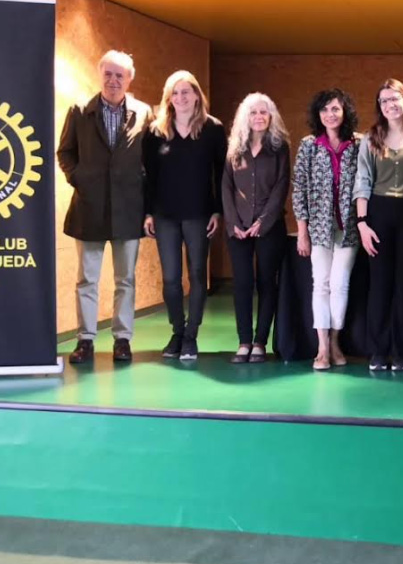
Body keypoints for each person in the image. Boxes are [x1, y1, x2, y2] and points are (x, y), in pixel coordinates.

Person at [57, 50, 154, 365]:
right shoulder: (80, 110)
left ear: (129, 80)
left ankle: (122, 339)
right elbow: (65, 151)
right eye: (108, 74)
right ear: (100, 75)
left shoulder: (143, 113)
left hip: (128, 209)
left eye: (119, 75)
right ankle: (85, 340)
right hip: (89, 208)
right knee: (87, 279)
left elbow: (151, 158)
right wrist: (79, 178)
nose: (113, 80)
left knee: (126, 279)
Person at [142, 70, 226, 362]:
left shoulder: (213, 129)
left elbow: (221, 173)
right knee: (170, 279)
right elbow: (148, 176)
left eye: (186, 92)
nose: (180, 98)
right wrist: (148, 212)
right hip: (165, 214)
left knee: (198, 275)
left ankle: (191, 335)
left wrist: (218, 210)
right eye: (175, 93)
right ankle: (177, 331)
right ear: (168, 98)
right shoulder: (155, 131)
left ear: (196, 95)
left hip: (199, 213)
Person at [353, 79, 403, 372]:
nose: (389, 105)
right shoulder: (371, 138)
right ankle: (378, 351)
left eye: (394, 99)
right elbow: (362, 181)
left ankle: (401, 352)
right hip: (378, 214)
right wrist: (362, 223)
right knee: (380, 285)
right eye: (383, 101)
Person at [293, 89, 363, 371]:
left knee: (339, 283)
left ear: (345, 112)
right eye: (324, 109)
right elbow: (299, 189)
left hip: (349, 227)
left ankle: (335, 341)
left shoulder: (358, 144)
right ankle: (322, 347)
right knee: (320, 283)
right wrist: (302, 231)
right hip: (318, 227)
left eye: (335, 109)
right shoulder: (309, 145)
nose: (330, 114)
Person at [222, 93, 291, 365]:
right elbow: (226, 185)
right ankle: (244, 341)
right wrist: (232, 222)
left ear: (271, 117)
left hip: (269, 227)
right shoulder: (234, 148)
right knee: (242, 284)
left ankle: (260, 341)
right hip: (238, 228)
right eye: (253, 112)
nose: (259, 117)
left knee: (266, 283)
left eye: (264, 112)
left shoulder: (279, 148)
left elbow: (281, 186)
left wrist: (263, 221)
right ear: (245, 117)